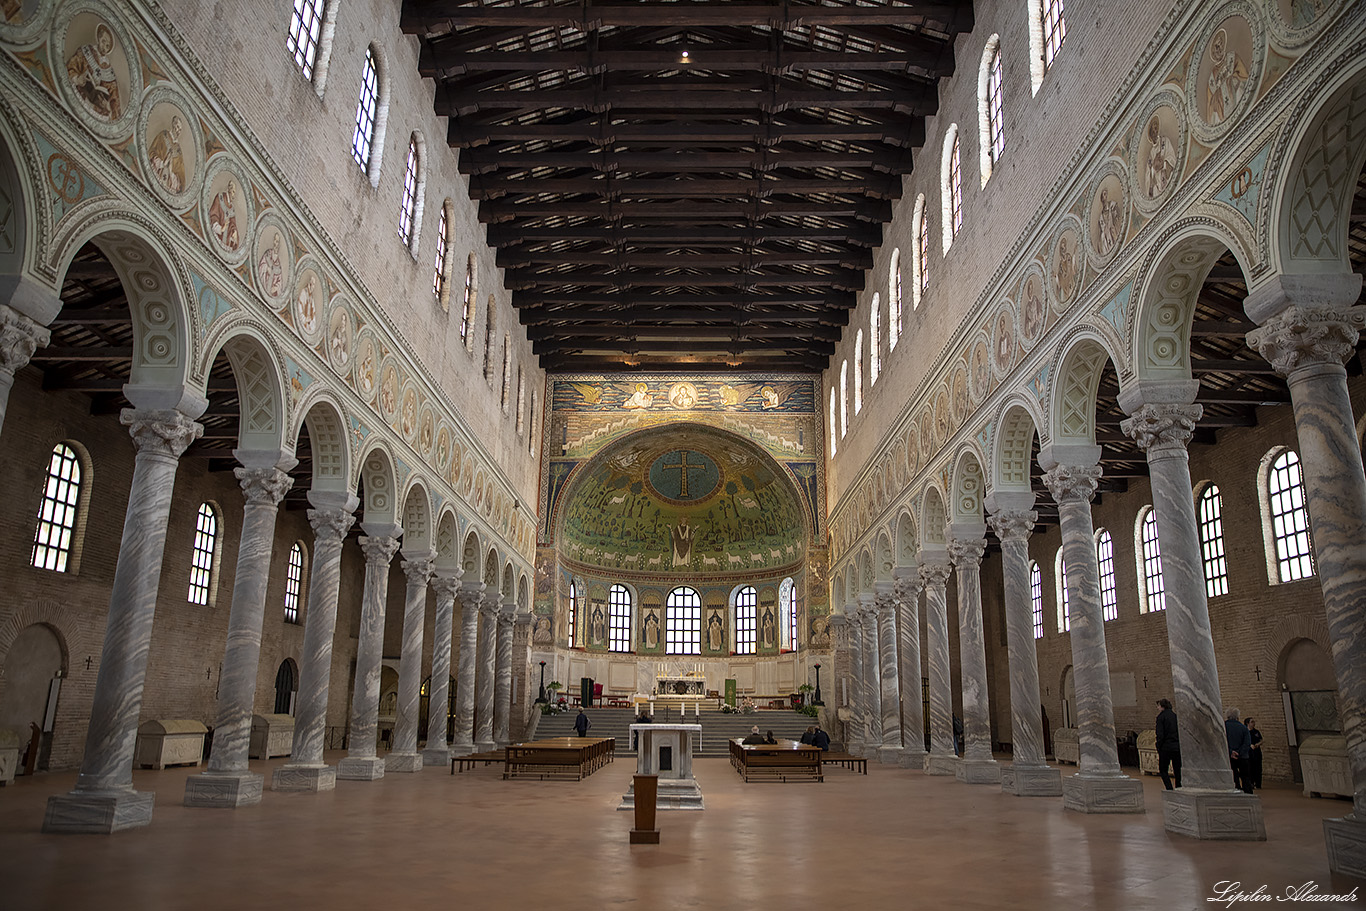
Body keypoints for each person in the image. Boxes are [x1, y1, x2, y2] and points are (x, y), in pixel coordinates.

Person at [1155, 698, 1181, 790]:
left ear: (1162, 706)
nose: (1157, 708)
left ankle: (1169, 789)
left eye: (1158, 706)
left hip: (1166, 747)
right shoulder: (1175, 716)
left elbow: (1160, 734)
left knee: (1163, 770)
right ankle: (1179, 787)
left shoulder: (1161, 717)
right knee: (1177, 770)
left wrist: (1158, 745)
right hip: (1176, 747)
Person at [1225, 707, 1253, 794]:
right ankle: (1248, 794)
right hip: (1242, 756)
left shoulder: (1223, 727)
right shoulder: (1243, 728)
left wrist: (1231, 752)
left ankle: (1235, 792)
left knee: (1233, 777)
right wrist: (1240, 752)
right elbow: (1247, 743)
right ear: (1238, 716)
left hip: (1228, 756)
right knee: (1245, 777)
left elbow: (1221, 742)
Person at [1246, 717, 1263, 790]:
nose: (1253, 723)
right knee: (1250, 768)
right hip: (1249, 752)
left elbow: (1261, 740)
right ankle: (1251, 783)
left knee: (1258, 768)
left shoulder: (1256, 732)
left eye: (1254, 722)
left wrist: (1258, 744)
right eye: (1252, 722)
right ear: (1248, 723)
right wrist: (1250, 745)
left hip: (1257, 752)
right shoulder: (1246, 732)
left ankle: (1258, 783)